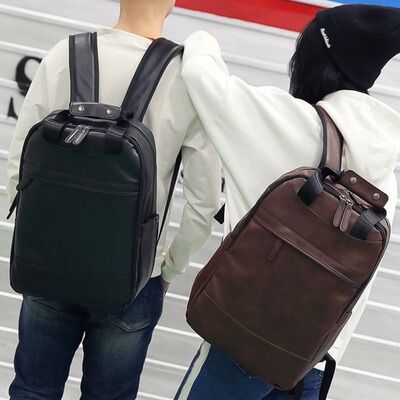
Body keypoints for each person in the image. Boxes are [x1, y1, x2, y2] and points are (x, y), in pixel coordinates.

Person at [174, 4, 400, 400]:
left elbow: (200, 74)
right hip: (313, 360)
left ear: (318, 58)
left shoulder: (288, 119)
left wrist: (203, 37)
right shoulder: (385, 165)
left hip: (246, 344)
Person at [6, 0, 221, 399]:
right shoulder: (184, 78)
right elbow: (203, 205)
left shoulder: (65, 53)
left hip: (48, 262)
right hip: (133, 281)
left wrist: (33, 240)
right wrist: (167, 269)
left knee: (33, 391)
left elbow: (19, 165)